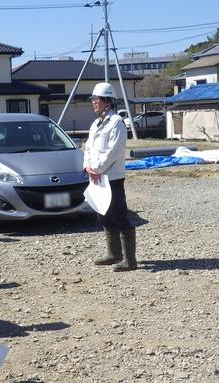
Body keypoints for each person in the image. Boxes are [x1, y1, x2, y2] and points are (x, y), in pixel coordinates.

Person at [83, 82, 137, 272]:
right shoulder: (96, 124)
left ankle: (130, 260)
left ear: (107, 101)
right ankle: (114, 254)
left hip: (112, 177)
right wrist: (87, 167)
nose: (93, 102)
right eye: (93, 99)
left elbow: (114, 151)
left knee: (119, 215)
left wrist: (97, 168)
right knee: (103, 215)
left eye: (96, 99)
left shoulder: (116, 123)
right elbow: (88, 148)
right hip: (96, 177)